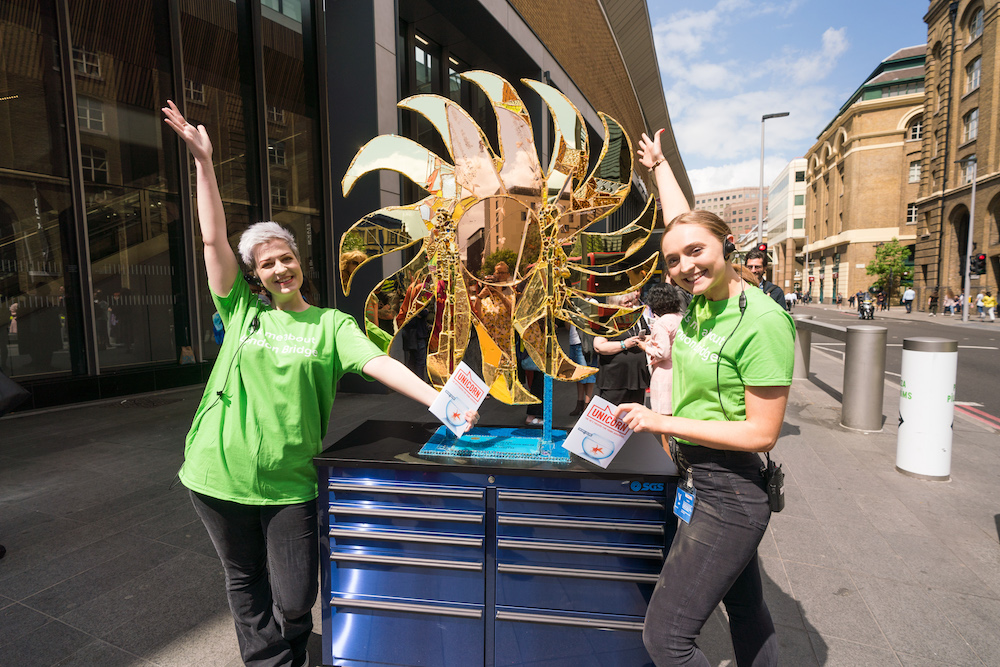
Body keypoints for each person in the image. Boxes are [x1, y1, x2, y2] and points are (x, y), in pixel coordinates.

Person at [163, 101, 478, 667]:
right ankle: (271, 662)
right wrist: (203, 163)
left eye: (285, 259)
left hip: (290, 482)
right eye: (265, 266)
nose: (279, 270)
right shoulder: (241, 313)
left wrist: (438, 399)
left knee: (293, 593)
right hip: (217, 469)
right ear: (254, 277)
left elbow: (379, 363)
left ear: (298, 262)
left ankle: (292, 633)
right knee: (242, 581)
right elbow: (212, 243)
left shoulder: (331, 325)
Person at [614, 128, 794, 667]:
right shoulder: (702, 303)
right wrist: (659, 167)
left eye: (697, 253)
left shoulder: (760, 320)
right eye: (674, 260)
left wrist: (661, 422)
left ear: (726, 246)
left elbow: (762, 433)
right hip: (701, 478)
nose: (686, 265)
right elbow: (683, 225)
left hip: (731, 490)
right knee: (746, 609)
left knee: (665, 639)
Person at [593, 291, 651, 406]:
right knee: (611, 414)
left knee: (634, 413)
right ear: (616, 304)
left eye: (631, 301)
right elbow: (599, 346)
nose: (630, 305)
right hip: (615, 378)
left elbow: (648, 335)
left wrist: (645, 339)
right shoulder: (607, 320)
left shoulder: (636, 316)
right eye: (626, 302)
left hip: (636, 376)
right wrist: (624, 344)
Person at [638, 284, 685, 415]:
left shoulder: (661, 323)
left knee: (663, 415)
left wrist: (645, 347)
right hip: (679, 369)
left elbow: (662, 352)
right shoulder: (680, 318)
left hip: (664, 373)